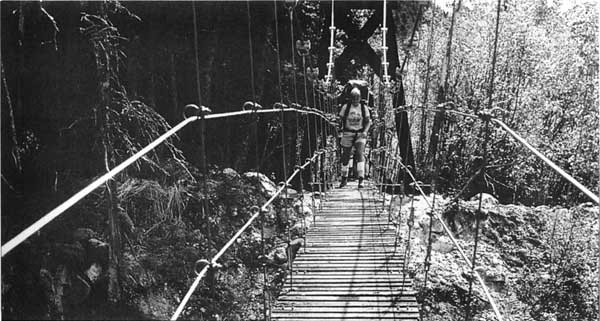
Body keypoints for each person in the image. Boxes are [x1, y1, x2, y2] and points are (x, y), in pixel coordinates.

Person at [338, 87, 371, 188]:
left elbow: (368, 121)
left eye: (357, 98)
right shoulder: (346, 107)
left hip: (360, 133)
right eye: (354, 98)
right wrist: (339, 130)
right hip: (348, 132)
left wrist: (365, 131)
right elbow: (340, 119)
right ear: (351, 98)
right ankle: (344, 178)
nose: (356, 100)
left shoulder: (363, 108)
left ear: (360, 98)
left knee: (360, 153)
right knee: (346, 156)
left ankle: (361, 179)